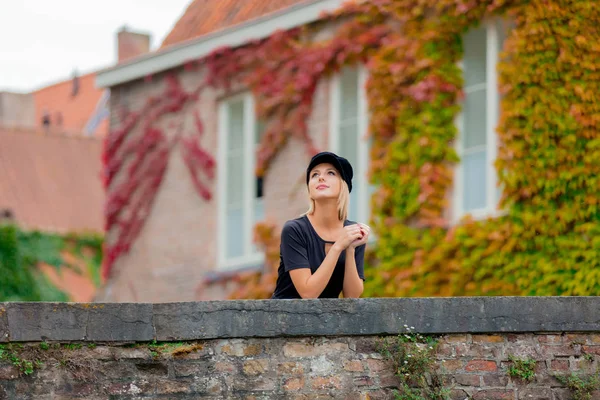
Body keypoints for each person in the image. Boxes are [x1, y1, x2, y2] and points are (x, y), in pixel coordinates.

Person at [271, 151, 370, 299]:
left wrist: (350, 248)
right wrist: (338, 246)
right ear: (310, 190)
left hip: (324, 320)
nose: (321, 177)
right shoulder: (295, 230)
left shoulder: (351, 233)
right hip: (285, 318)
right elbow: (308, 293)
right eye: (314, 175)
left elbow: (352, 296)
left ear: (344, 185)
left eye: (331, 173)